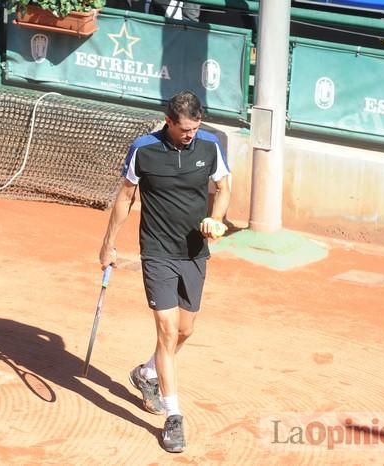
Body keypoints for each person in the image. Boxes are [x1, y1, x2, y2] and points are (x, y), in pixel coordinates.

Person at [98, 91, 230, 453]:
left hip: (194, 251)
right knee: (167, 330)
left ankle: (146, 372)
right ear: (168, 121)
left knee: (186, 330)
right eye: (184, 128)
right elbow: (125, 196)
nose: (190, 134)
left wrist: (216, 220)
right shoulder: (143, 149)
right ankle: (174, 416)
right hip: (156, 251)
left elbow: (224, 187)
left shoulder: (210, 145)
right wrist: (109, 243)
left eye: (195, 127)